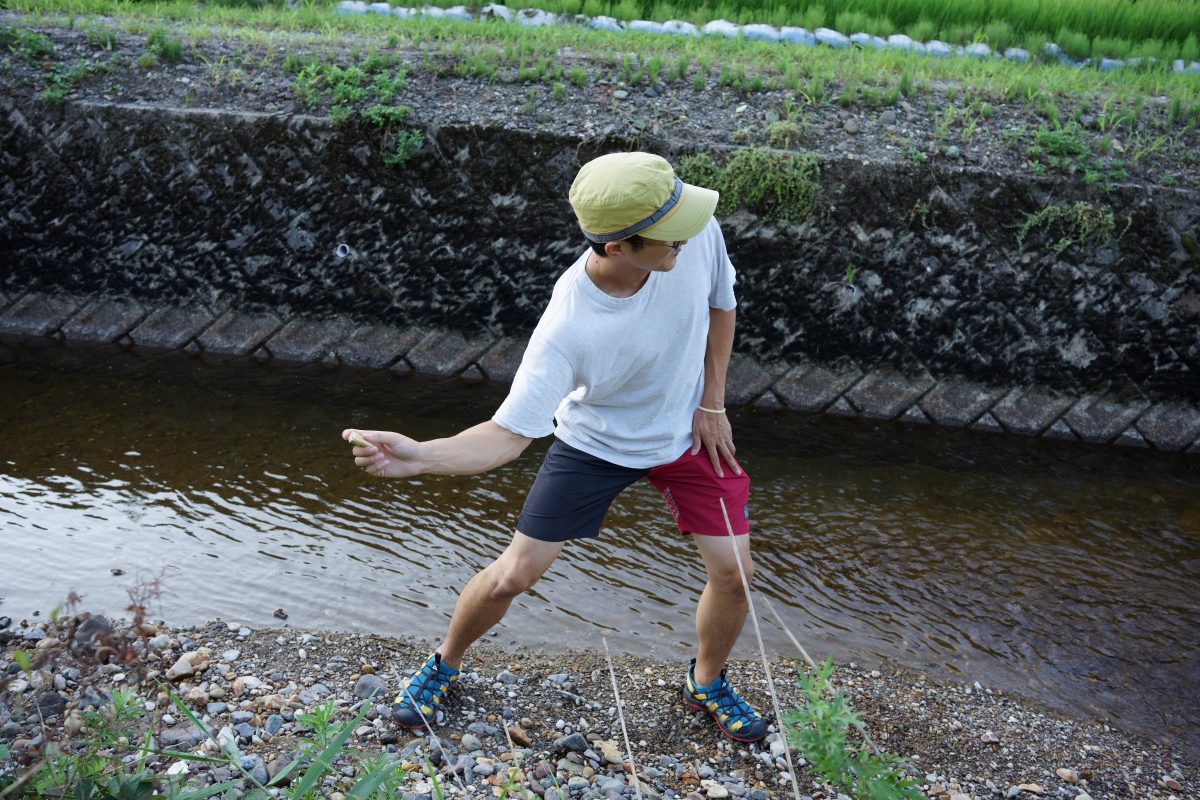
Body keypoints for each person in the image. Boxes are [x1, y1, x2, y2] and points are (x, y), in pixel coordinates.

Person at [343, 151, 767, 742]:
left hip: (687, 434)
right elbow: (505, 437)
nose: (688, 236)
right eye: (671, 235)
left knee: (736, 575)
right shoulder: (568, 326)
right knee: (514, 575)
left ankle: (706, 681)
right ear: (617, 246)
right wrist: (422, 455)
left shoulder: (687, 224)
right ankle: (443, 663)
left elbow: (722, 306)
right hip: (597, 443)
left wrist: (712, 401)